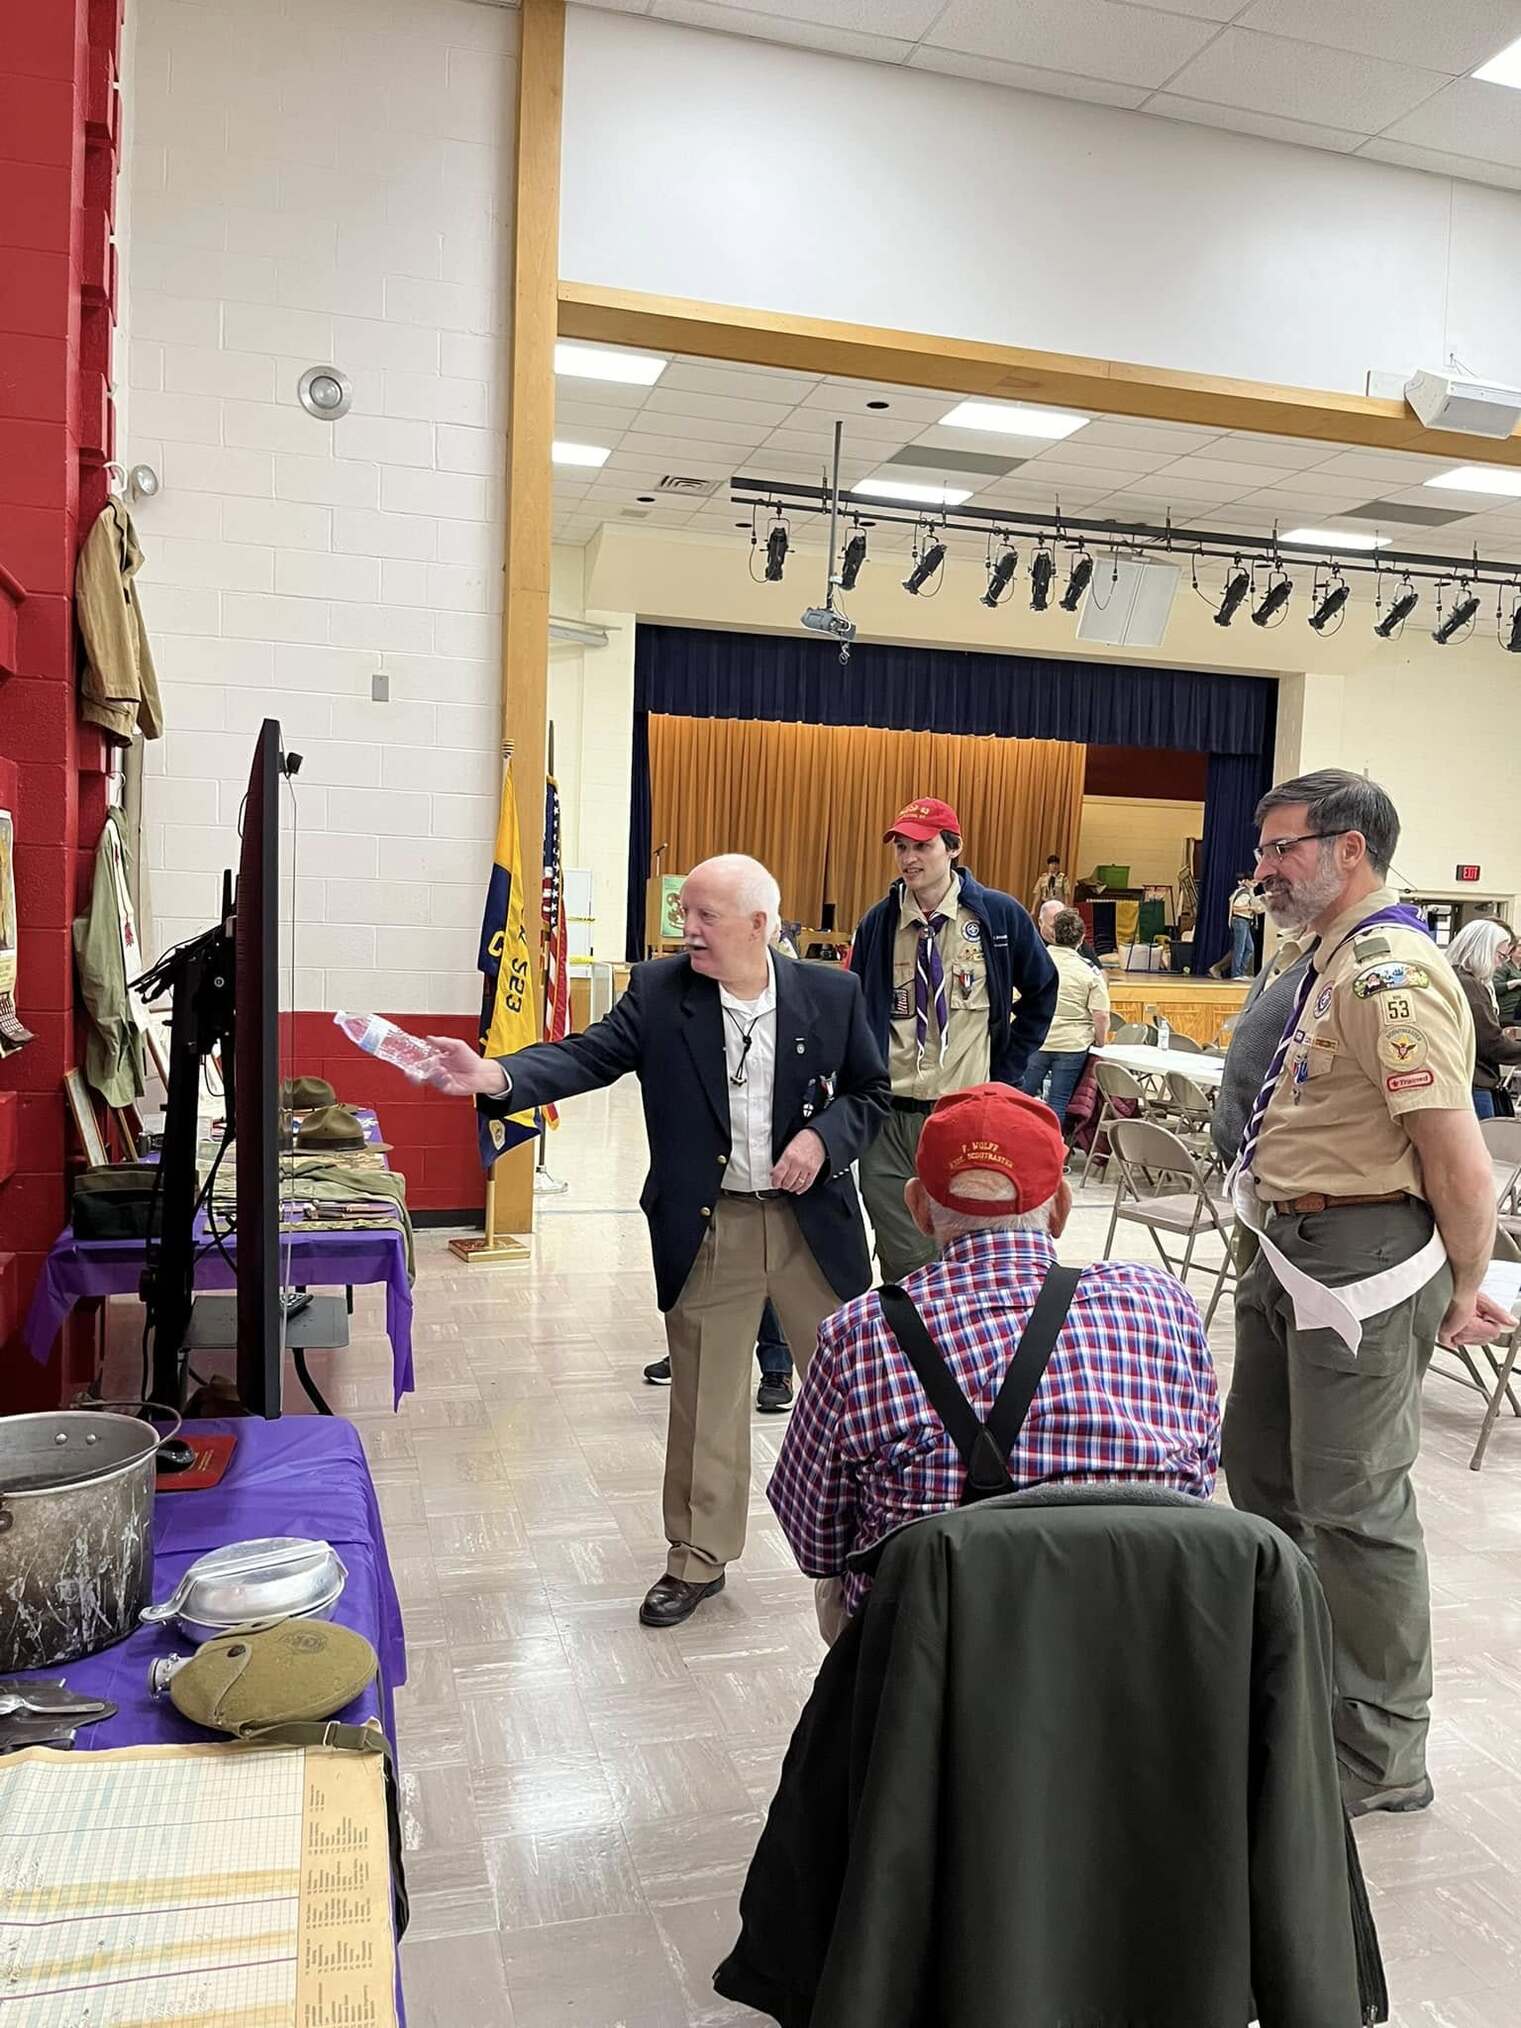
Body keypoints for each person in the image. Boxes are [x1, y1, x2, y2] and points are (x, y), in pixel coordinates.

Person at [423, 853, 889, 1629]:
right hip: (713, 1224)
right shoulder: (661, 992)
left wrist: (822, 1140)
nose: (688, 930)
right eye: (686, 913)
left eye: (705, 916)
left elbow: (871, 1093)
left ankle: (874, 1548)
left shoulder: (831, 995)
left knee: (853, 1395)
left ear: (759, 925)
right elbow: (585, 1055)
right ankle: (697, 1558)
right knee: (706, 1399)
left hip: (814, 1226)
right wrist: (496, 1078)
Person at [1222, 768, 1509, 1817]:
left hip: (1360, 1260)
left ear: (1350, 850)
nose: (1263, 868)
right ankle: (1301, 1696)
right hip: (1286, 1246)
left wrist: (1464, 1288)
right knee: (1261, 1479)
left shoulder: (1391, 972)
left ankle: (1382, 1749)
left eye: (1283, 848)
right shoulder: (1320, 961)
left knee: (1354, 1507)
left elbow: (1459, 1162)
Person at [769, 1082, 1220, 1639]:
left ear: (918, 1210)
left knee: (838, 1583)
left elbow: (816, 1541)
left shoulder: (857, 1334)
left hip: (932, 1674)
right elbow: (1197, 1488)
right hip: (1134, 1659)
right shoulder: (1161, 1303)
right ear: (1060, 1208)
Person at [849, 797, 1057, 1282]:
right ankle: (914, 1352)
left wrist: (1005, 1075)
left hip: (963, 1116)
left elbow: (1042, 989)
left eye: (921, 845)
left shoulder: (997, 916)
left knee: (969, 1252)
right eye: (901, 847)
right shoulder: (879, 924)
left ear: (953, 848)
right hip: (889, 1120)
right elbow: (854, 1012)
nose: (908, 858)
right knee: (903, 1260)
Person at [1020, 908, 1109, 1128]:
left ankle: (1013, 1146)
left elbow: (1018, 998)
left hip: (1039, 1038)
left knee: (1020, 1097)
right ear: (1080, 939)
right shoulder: (1089, 971)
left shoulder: (1036, 962)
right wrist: (1100, 1041)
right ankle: (1054, 1154)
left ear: (1052, 934)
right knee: (1058, 1102)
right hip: (1073, 1044)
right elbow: (1101, 1014)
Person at [1446, 918, 1521, 1120]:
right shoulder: (1470, 986)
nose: (1499, 963)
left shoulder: (1450, 977)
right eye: (1500, 956)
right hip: (1475, 1085)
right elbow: (1490, 1043)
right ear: (1484, 950)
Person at [1038, 895, 1099, 966]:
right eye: (1053, 926)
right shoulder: (1031, 945)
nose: (1058, 931)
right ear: (1040, 922)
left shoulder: (1077, 942)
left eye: (1062, 925)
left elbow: (1101, 971)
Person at [1228, 873, 1264, 979]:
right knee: (1240, 948)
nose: (1255, 884)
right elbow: (1236, 908)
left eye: (1256, 882)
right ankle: (1236, 973)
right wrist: (1251, 909)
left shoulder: (1249, 892)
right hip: (1240, 920)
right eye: (1253, 882)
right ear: (1247, 881)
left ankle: (1242, 972)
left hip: (1245, 921)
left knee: (1250, 948)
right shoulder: (1243, 893)